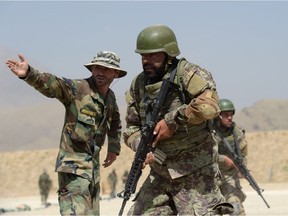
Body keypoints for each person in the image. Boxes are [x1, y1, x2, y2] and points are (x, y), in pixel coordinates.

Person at [123, 24, 233, 215]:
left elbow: (209, 107)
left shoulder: (188, 74)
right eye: (143, 56)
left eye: (153, 56)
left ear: (169, 54)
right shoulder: (138, 85)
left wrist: (173, 121)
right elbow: (131, 128)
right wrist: (141, 144)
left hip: (195, 171)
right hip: (160, 173)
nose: (146, 61)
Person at [5, 51, 127, 215]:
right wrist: (28, 74)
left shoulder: (110, 98)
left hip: (92, 170)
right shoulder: (78, 88)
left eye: (105, 69)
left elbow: (116, 122)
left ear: (116, 73)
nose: (100, 72)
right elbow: (53, 84)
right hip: (73, 168)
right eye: (97, 68)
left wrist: (113, 148)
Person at [213, 99, 248, 215]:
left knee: (236, 207)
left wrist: (243, 168)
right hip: (210, 176)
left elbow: (243, 154)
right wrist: (223, 159)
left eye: (231, 114)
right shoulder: (209, 132)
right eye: (226, 115)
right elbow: (204, 153)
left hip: (229, 176)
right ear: (218, 116)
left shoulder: (236, 132)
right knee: (212, 210)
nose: (229, 118)